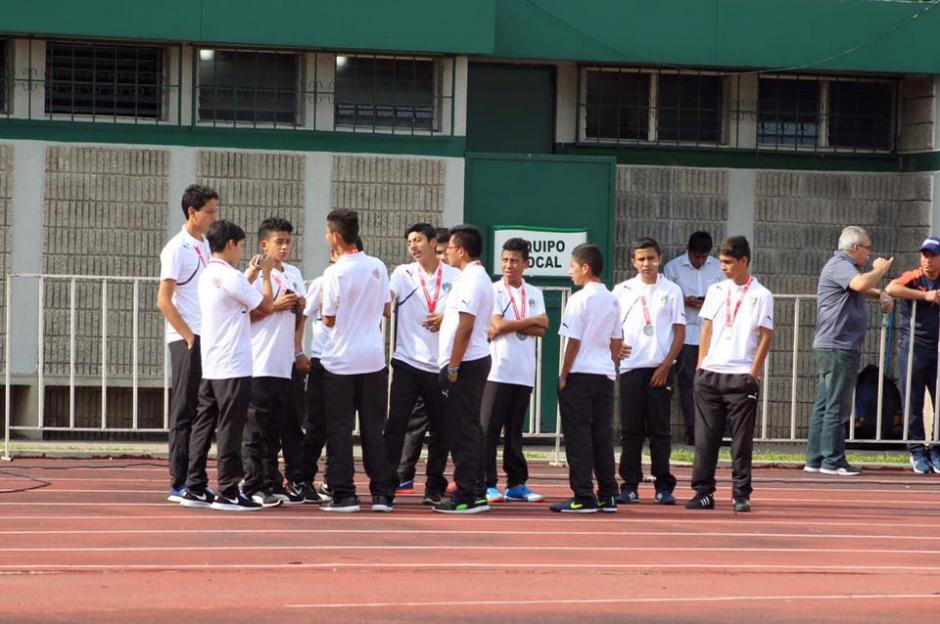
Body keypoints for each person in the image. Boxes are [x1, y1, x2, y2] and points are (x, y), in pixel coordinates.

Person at [180, 220, 274, 511]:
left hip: (212, 361)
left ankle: (194, 485)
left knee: (204, 424)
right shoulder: (229, 276)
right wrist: (267, 275)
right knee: (231, 427)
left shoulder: (211, 274)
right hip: (233, 363)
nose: (241, 252)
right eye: (241, 246)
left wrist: (253, 271)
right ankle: (230, 489)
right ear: (231, 244)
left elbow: (236, 291)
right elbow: (266, 305)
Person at [686, 236, 773, 513]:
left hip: (740, 376)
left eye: (728, 262)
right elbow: (707, 328)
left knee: (741, 440)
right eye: (721, 262)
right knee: (705, 439)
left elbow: (765, 335)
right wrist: (701, 366)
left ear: (744, 261)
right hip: (710, 374)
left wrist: (753, 373)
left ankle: (740, 493)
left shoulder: (762, 295)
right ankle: (703, 492)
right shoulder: (716, 290)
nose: (722, 267)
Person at [320, 209, 397, 512]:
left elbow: (329, 317)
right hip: (374, 360)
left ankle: (344, 493)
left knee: (339, 429)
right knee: (373, 428)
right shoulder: (377, 265)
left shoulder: (334, 272)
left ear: (336, 237)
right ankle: (382, 493)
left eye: (327, 233)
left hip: (341, 361)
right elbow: (387, 308)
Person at [806, 226, 894, 477]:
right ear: (856, 248)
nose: (869, 253)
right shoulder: (841, 265)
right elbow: (860, 282)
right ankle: (833, 460)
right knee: (838, 404)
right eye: (867, 248)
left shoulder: (841, 267)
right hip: (839, 345)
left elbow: (860, 287)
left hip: (834, 344)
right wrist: (880, 269)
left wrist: (879, 294)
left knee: (825, 402)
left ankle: (815, 458)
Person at [385, 223, 460, 505]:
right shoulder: (402, 274)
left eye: (418, 241)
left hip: (440, 363)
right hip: (407, 361)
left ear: (432, 242)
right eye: (409, 243)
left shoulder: (455, 276)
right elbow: (386, 299)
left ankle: (434, 486)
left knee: (442, 429)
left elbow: (464, 311)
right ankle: (388, 482)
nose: (413, 246)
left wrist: (446, 317)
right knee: (396, 425)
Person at [157, 184, 219, 502]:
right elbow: (164, 300)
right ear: (192, 212)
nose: (213, 217)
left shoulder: (208, 246)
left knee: (205, 411)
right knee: (184, 410)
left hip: (209, 337)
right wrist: (188, 335)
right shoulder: (176, 248)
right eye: (209, 211)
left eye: (215, 211)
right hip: (188, 340)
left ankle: (196, 479)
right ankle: (179, 480)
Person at [613, 237, 685, 506]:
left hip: (660, 368)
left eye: (651, 258)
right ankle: (629, 485)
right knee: (630, 430)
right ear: (633, 261)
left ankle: (663, 485)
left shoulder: (672, 290)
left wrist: (667, 364)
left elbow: (679, 330)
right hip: (632, 366)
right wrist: (615, 348)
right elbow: (610, 325)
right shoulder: (622, 290)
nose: (647, 264)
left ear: (660, 259)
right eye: (641, 259)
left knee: (660, 430)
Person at [551, 243, 622, 514]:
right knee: (601, 436)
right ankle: (608, 494)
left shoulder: (579, 299)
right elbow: (617, 340)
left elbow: (573, 342)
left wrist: (563, 374)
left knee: (578, 437)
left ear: (585, 267)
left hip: (580, 374)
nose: (570, 272)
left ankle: (583, 495)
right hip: (604, 374)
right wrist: (609, 361)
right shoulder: (613, 298)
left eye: (572, 267)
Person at [241, 217, 307, 507]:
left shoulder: (293, 272)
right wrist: (275, 306)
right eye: (278, 242)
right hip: (259, 359)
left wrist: (298, 309)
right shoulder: (253, 273)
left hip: (283, 362)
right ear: (264, 244)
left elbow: (299, 316)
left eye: (288, 242)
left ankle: (271, 480)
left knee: (274, 428)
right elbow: (246, 314)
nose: (284, 247)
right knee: (255, 427)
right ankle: (251, 483)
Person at [481, 237, 549, 504]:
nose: (508, 265)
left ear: (526, 263)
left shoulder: (535, 293)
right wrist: (530, 321)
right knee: (488, 430)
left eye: (514, 261)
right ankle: (487, 483)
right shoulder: (493, 290)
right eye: (505, 260)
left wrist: (515, 324)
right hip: (496, 370)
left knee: (514, 431)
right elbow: (496, 325)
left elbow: (543, 329)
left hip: (523, 371)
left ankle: (516, 483)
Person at [433, 224, 494, 514]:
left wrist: (453, 366)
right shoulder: (472, 277)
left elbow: (466, 327)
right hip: (469, 361)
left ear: (462, 250)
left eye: (450, 249)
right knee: (469, 427)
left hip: (467, 363)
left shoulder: (472, 280)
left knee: (463, 431)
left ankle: (467, 494)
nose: (445, 254)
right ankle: (476, 490)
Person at [297, 239, 363, 504]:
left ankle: (333, 480)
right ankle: (302, 477)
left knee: (342, 425)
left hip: (351, 363)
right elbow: (304, 314)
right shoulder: (323, 281)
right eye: (337, 252)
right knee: (318, 424)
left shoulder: (363, 281)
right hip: (324, 360)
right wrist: (298, 350)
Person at [884, 236, 940, 474]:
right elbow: (891, 288)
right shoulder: (913, 277)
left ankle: (936, 449)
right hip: (913, 348)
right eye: (924, 255)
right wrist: (925, 296)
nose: (928, 260)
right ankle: (917, 451)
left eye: (933, 255)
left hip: (937, 349)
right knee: (913, 402)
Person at [664, 231, 724, 445]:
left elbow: (726, 294)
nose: (700, 261)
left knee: (714, 385)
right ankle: (694, 432)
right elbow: (666, 297)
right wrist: (684, 301)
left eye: (704, 257)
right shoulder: (673, 268)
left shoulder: (718, 267)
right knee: (688, 385)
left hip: (713, 334)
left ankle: (715, 431)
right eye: (696, 256)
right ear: (688, 251)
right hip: (686, 333)